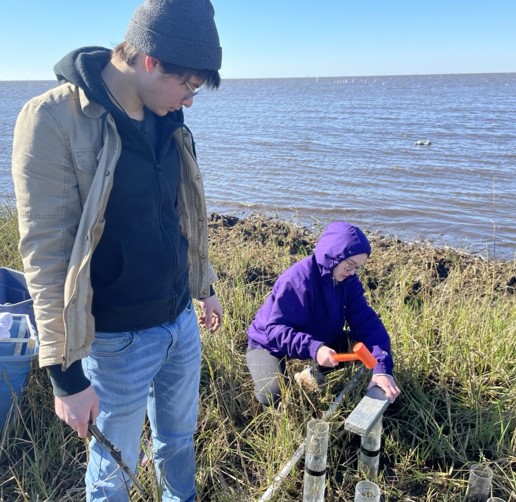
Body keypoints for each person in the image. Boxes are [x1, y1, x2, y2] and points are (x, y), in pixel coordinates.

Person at [12, 1, 223, 500]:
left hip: (179, 323)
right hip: (113, 342)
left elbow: (182, 214)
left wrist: (204, 286)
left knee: (178, 442)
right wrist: (65, 377)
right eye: (188, 85)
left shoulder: (166, 115)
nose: (190, 101)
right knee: (113, 471)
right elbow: (46, 252)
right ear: (151, 60)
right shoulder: (52, 120)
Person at [246, 221, 400, 408]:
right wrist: (315, 348)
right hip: (268, 344)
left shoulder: (348, 281)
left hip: (319, 339)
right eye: (350, 265)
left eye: (357, 267)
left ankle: (308, 374)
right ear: (334, 256)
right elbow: (276, 331)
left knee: (367, 350)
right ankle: (281, 383)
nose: (352, 272)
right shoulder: (297, 280)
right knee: (271, 394)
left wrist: (382, 368)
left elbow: (367, 322)